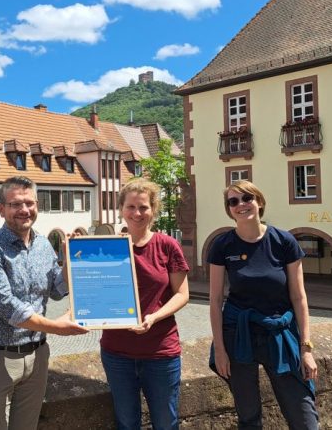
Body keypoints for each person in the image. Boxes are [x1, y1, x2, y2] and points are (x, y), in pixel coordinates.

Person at [0, 176, 88, 430]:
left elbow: (57, 290)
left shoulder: (44, 244)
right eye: (15, 204)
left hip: (37, 355)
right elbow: (8, 307)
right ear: (0, 209)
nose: (24, 210)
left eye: (29, 203)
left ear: (37, 206)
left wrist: (68, 261)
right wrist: (57, 328)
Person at [208, 180, 318, 429]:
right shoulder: (222, 245)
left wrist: (306, 348)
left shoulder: (283, 240)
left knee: (303, 415)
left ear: (259, 202)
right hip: (239, 335)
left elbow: (299, 298)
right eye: (233, 201)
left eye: (247, 198)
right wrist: (221, 350)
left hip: (279, 333)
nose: (241, 205)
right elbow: (215, 301)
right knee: (248, 416)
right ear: (229, 209)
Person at [100, 178, 189, 430]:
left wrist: (154, 317)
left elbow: (182, 294)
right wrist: (70, 253)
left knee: (165, 423)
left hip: (160, 352)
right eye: (131, 207)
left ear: (153, 209)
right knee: (126, 423)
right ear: (121, 209)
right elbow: (89, 289)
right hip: (117, 352)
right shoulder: (109, 247)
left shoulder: (167, 245)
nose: (137, 213)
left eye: (143, 207)